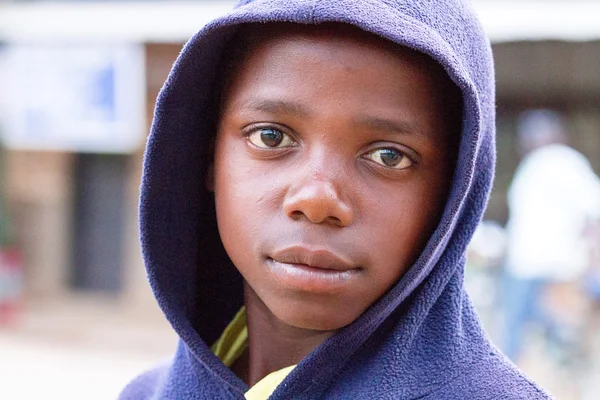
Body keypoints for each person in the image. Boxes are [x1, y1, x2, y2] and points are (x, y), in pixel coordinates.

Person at [120, 1, 552, 398]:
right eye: (271, 136)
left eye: (389, 156)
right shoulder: (145, 394)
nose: (317, 199)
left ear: (453, 193)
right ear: (207, 157)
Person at [502, 110, 600, 363]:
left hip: (550, 268)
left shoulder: (564, 161)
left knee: (542, 339)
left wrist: (592, 265)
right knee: (529, 340)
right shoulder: (536, 165)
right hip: (531, 265)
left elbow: (593, 214)